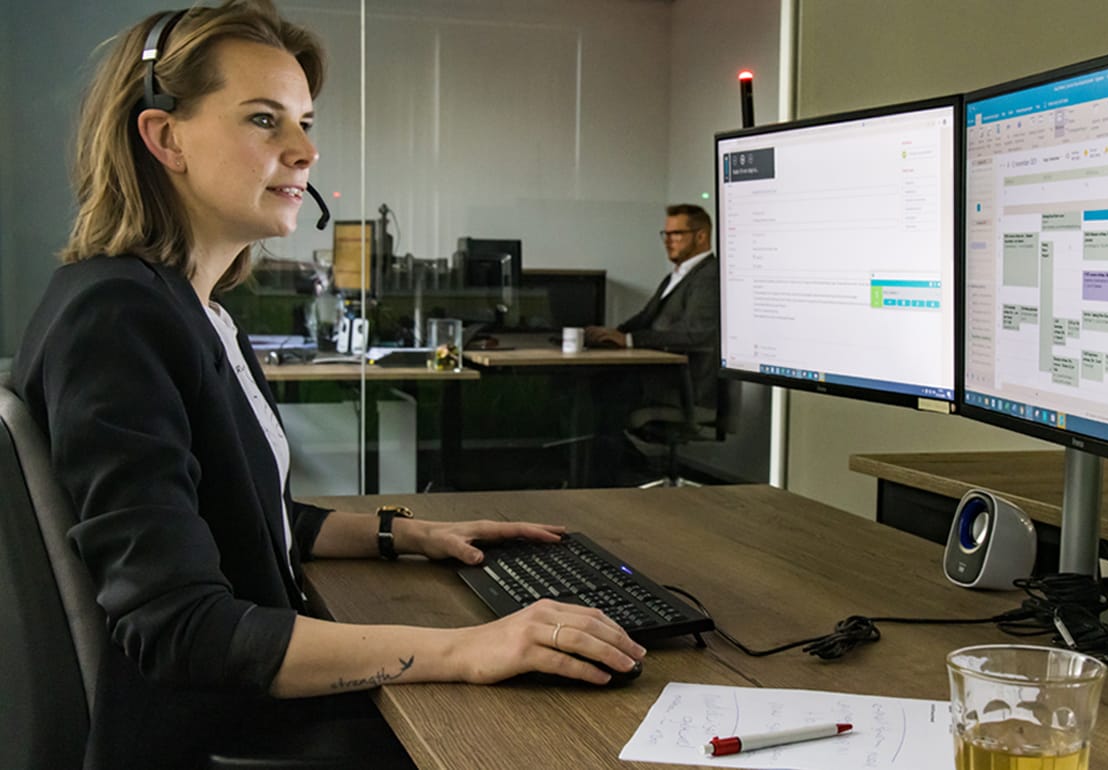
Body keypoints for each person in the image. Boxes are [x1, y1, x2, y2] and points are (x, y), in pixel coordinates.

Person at [11, 2, 644, 767]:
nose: (306, 150)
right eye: (264, 120)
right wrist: (468, 648)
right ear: (165, 137)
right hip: (222, 737)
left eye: (306, 122)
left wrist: (405, 534)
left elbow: (243, 514)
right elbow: (182, 631)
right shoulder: (117, 319)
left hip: (251, 713)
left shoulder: (189, 308)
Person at [585, 203, 719, 412]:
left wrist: (630, 340)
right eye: (665, 234)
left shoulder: (709, 276)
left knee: (596, 385)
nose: (667, 241)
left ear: (701, 236)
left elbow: (695, 333)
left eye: (676, 234)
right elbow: (645, 317)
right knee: (587, 378)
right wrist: (611, 335)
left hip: (683, 387)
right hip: (657, 376)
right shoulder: (676, 276)